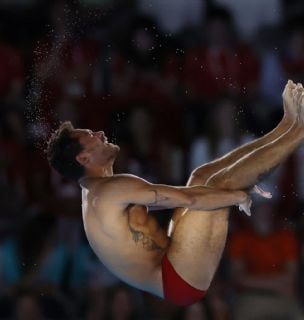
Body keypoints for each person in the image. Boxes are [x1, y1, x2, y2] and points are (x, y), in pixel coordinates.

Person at [46, 80, 304, 306]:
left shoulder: (97, 193)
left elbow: (176, 197)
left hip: (171, 268)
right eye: (91, 135)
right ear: (84, 157)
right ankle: (298, 132)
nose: (100, 133)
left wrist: (240, 183)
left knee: (202, 176)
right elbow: (189, 199)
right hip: (177, 278)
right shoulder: (110, 188)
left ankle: (285, 127)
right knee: (220, 184)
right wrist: (238, 195)